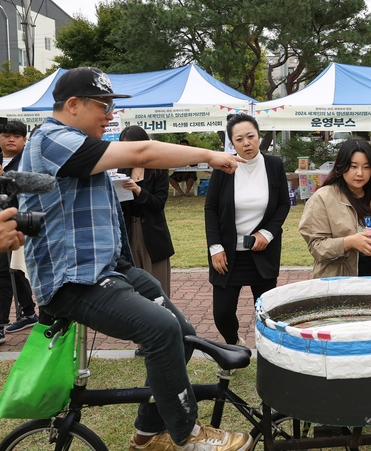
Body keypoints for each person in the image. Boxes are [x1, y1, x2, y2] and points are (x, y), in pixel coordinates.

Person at [19, 66, 251, 451]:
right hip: (74, 281)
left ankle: (147, 433)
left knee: (182, 333)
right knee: (160, 328)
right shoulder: (52, 140)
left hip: (107, 270)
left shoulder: (77, 142)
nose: (110, 115)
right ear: (73, 105)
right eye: (103, 105)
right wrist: (210, 154)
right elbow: (142, 150)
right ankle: (187, 435)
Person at [204, 113, 290, 346]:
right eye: (239, 139)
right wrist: (215, 247)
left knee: (267, 311)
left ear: (259, 136)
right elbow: (211, 209)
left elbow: (283, 204)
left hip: (262, 252)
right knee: (222, 313)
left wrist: (267, 233)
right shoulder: (223, 167)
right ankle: (234, 343)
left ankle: (268, 352)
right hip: (227, 254)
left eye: (250, 136)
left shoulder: (273, 165)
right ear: (232, 143)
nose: (246, 143)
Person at [299, 138, 371, 278]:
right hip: (338, 285)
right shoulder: (322, 198)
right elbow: (317, 248)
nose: (360, 173)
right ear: (342, 166)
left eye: (366, 167)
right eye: (353, 166)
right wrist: (348, 243)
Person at [0, 121, 39, 347]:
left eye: (16, 135)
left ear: (25, 140)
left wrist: (4, 175)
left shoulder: (29, 162)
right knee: (13, 272)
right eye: (6, 135)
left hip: (16, 226)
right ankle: (29, 312)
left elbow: (33, 192)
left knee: (2, 275)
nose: (11, 139)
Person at [119, 125, 175, 296]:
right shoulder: (123, 169)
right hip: (130, 230)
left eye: (131, 146)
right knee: (135, 285)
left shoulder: (158, 169)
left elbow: (159, 203)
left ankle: (165, 320)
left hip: (153, 233)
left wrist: (138, 190)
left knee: (158, 287)